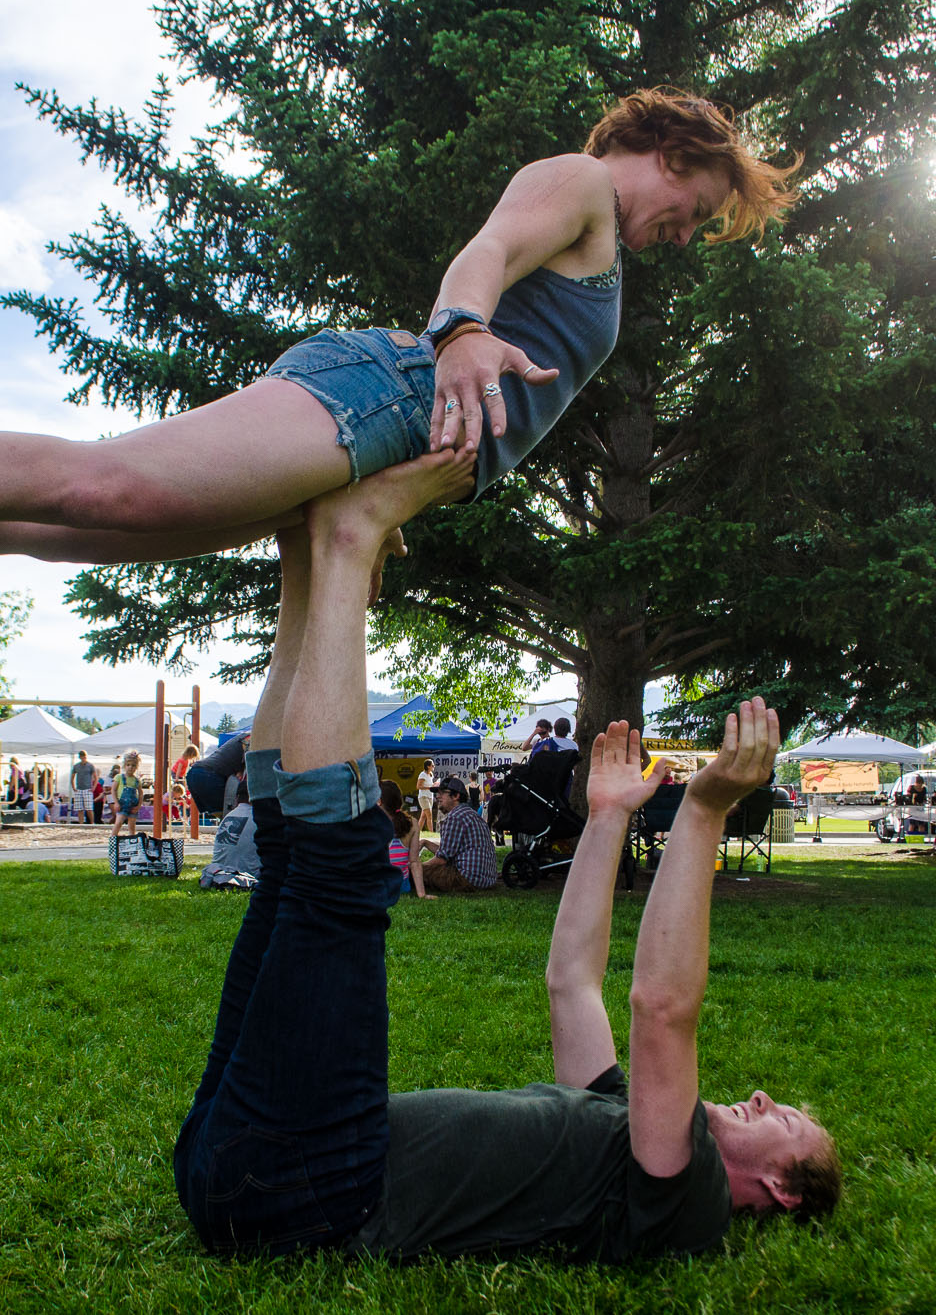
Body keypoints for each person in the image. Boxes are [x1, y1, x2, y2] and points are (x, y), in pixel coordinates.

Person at [0, 90, 799, 636]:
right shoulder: (579, 182)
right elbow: (482, 253)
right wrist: (460, 332)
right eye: (696, 207)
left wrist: (389, 500)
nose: (682, 232)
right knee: (101, 485)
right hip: (377, 389)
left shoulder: (602, 231)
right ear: (667, 148)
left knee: (57, 531)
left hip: (376, 444)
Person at [172, 464, 837, 1260]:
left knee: (336, 873)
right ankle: (305, 561)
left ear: (781, 1188)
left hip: (311, 1187)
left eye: (785, 1121)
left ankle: (350, 540)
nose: (762, 1096)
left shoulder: (686, 1203)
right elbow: (572, 980)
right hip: (243, 1163)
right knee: (285, 862)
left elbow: (662, 1009)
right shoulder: (626, 1128)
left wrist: (703, 811)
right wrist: (605, 820)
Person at [417, 775, 499, 893]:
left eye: (442, 793)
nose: (437, 796)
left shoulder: (455, 817)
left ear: (456, 796)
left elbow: (442, 859)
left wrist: (416, 868)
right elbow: (449, 851)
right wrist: (425, 842)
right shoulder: (470, 814)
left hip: (468, 879)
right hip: (486, 879)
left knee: (418, 872)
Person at [379, 779, 429, 899]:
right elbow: (414, 861)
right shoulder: (413, 823)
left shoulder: (373, 824)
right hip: (402, 886)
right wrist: (421, 894)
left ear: (379, 801)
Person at [184, 733, 248, 818]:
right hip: (209, 774)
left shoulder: (241, 739)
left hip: (194, 773)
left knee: (221, 815)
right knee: (227, 815)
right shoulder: (250, 739)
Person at [112, 751, 145, 837]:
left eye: (133, 765)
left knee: (132, 825)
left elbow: (141, 794)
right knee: (119, 822)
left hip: (133, 805)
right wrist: (116, 802)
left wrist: (138, 806)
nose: (130, 767)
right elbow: (113, 790)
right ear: (124, 766)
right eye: (128, 765)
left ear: (136, 767)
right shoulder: (119, 777)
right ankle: (113, 838)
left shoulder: (137, 780)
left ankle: (132, 840)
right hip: (122, 805)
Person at [71, 750, 98, 824]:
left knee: (89, 808)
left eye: (84, 757)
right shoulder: (76, 766)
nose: (83, 758)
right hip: (79, 789)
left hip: (88, 789)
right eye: (82, 757)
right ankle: (81, 823)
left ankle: (92, 823)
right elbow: (72, 777)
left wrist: (93, 787)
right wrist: (73, 787)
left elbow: (96, 777)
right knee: (80, 808)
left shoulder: (90, 765)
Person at [415, 761, 437, 835]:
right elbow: (418, 786)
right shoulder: (422, 774)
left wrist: (434, 785)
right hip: (423, 797)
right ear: (428, 766)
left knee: (423, 816)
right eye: (432, 765)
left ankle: (417, 833)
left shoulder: (431, 774)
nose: (434, 767)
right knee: (429, 815)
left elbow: (430, 785)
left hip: (430, 796)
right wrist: (429, 788)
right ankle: (432, 833)